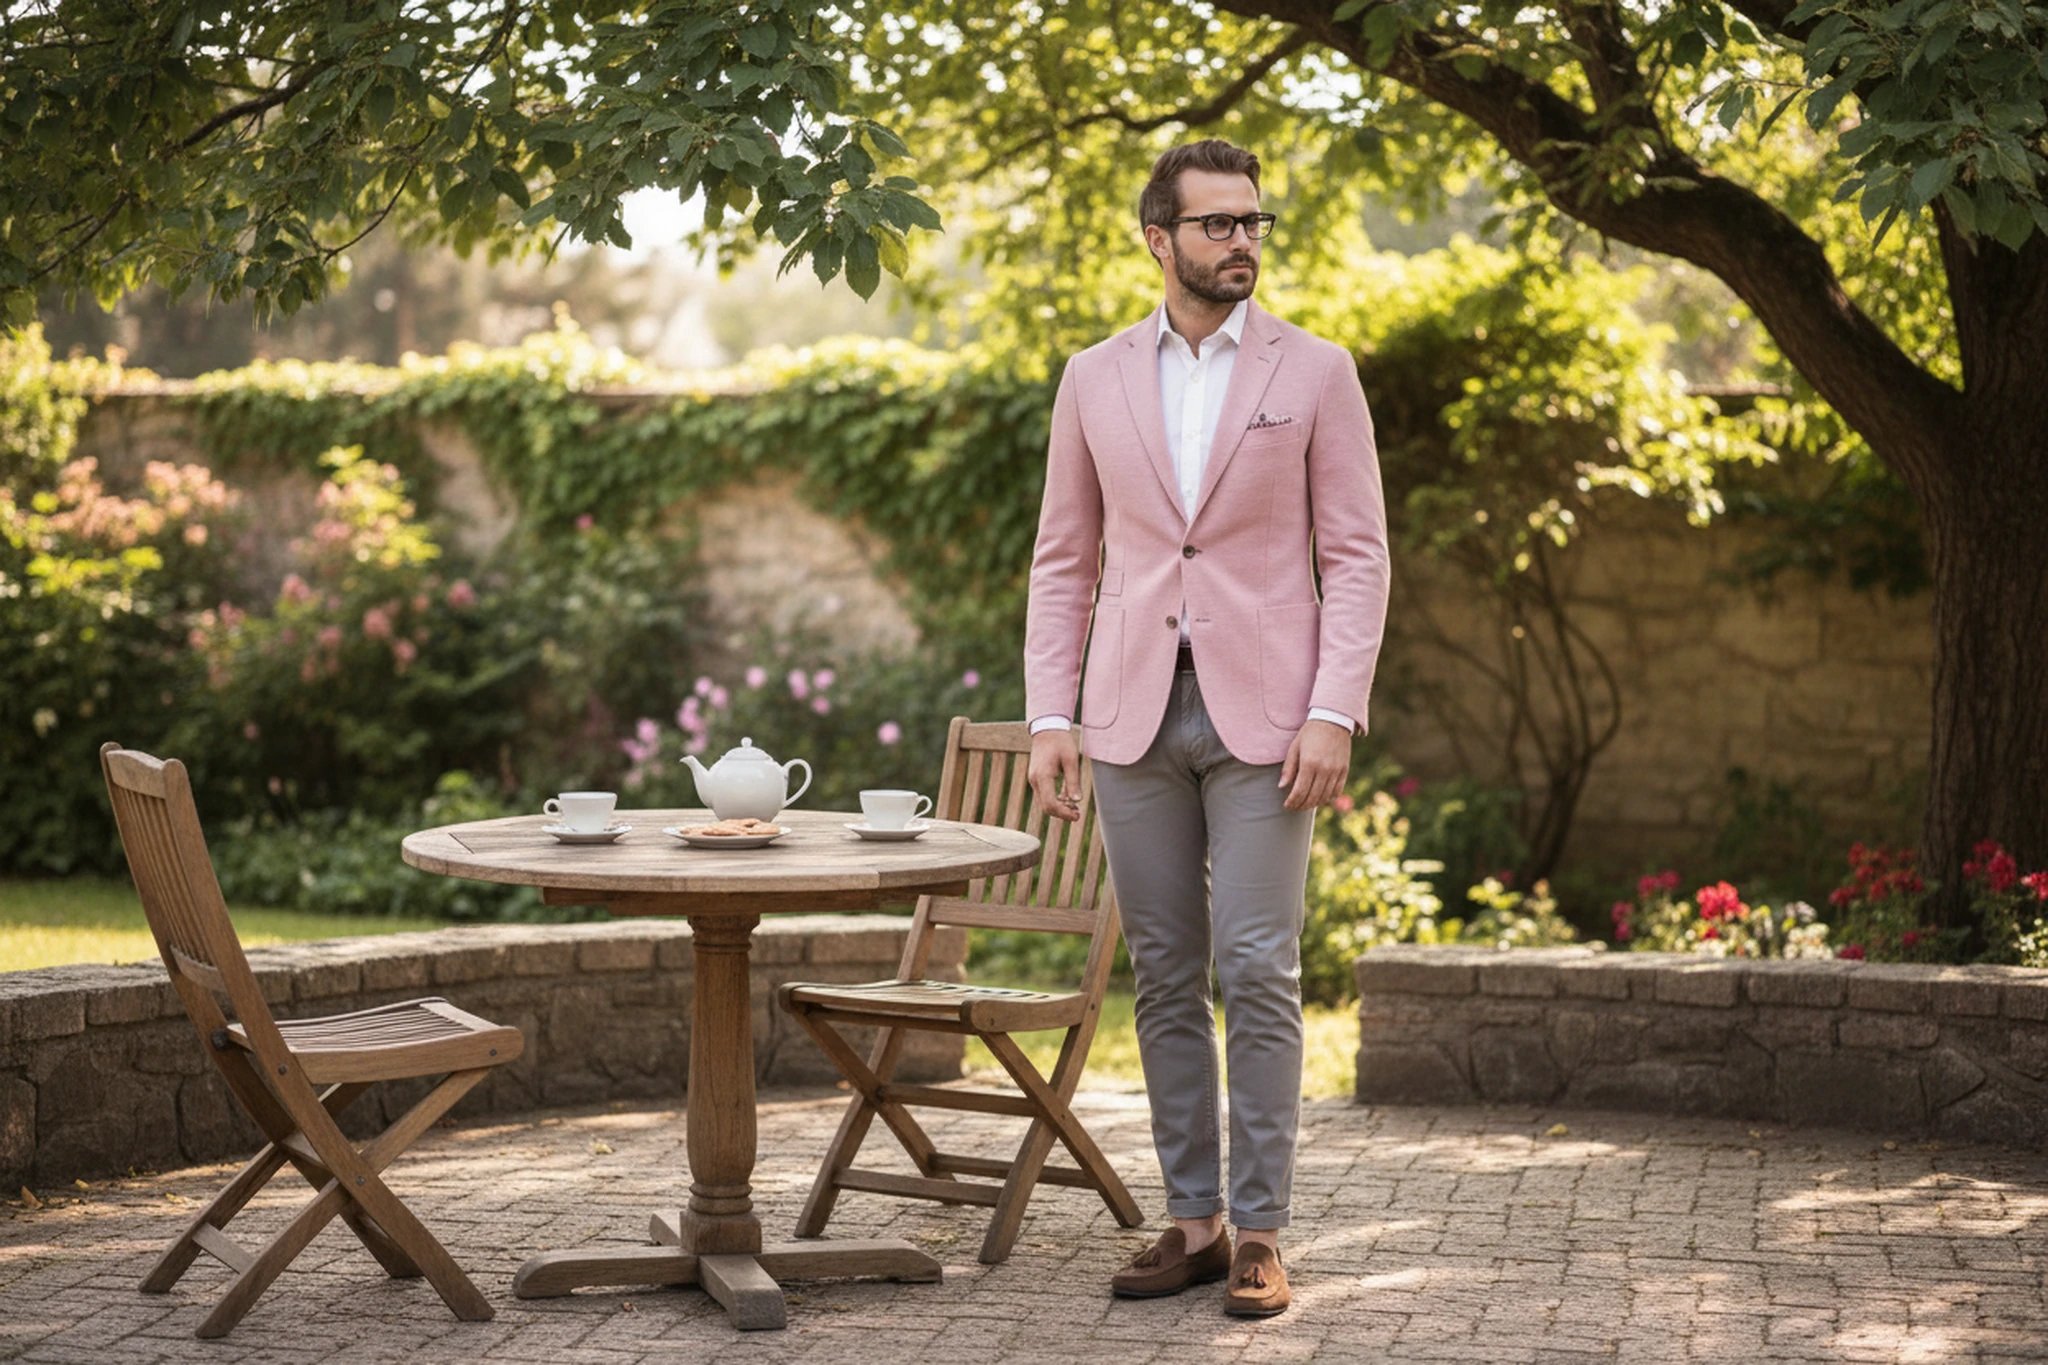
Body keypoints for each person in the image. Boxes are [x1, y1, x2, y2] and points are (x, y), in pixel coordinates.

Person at [1022, 138, 1391, 1319]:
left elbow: (1355, 554)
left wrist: (1333, 706)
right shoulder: (1092, 376)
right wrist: (1049, 715)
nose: (1240, 241)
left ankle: (1262, 1232)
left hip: (1268, 721)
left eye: (1252, 222)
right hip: (1129, 714)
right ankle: (1191, 1223)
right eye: (1217, 223)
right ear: (1158, 238)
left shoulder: (1316, 371)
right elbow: (1062, 561)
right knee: (1167, 975)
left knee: (1257, 968)